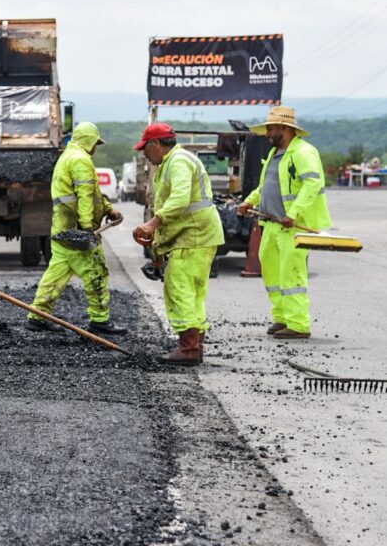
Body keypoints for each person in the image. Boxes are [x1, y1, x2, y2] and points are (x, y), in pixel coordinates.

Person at [133, 123, 224, 366]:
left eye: (145, 148)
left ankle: (189, 348)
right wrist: (159, 253)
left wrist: (152, 224)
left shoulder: (179, 161)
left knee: (179, 288)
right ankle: (193, 346)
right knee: (192, 293)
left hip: (194, 236)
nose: (144, 154)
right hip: (194, 236)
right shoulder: (171, 163)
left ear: (156, 144)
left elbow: (180, 200)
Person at [24, 122, 127, 336]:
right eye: (95, 142)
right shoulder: (81, 160)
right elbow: (85, 196)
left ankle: (38, 316)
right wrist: (87, 228)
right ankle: (100, 320)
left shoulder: (67, 157)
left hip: (61, 227)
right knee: (96, 272)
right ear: (90, 140)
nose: (96, 147)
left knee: (56, 272)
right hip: (76, 231)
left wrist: (108, 209)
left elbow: (93, 193)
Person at [237, 106, 332, 339]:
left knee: (292, 276)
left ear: (285, 128)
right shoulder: (275, 153)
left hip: (292, 228)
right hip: (270, 225)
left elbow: (312, 185)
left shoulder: (303, 152)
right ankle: (282, 318)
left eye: (270, 128)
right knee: (272, 275)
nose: (267, 133)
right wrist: (249, 202)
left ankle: (298, 324)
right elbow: (265, 186)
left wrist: (294, 213)